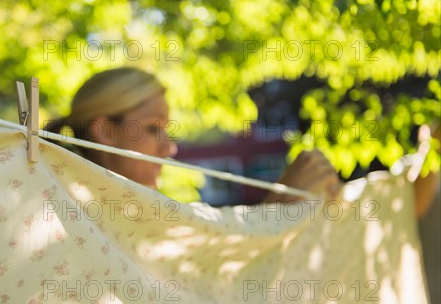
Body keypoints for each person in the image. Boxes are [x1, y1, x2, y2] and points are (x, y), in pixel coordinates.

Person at [44, 67, 437, 212]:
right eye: (152, 128)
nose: (170, 147)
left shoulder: (161, 214)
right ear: (103, 131)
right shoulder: (68, 219)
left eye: (166, 129)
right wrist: (278, 208)